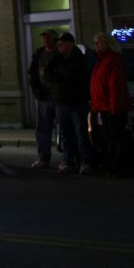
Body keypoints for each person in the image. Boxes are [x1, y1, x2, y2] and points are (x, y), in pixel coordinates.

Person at [44, 32, 93, 175]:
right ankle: (67, 161)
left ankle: (85, 161)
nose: (59, 45)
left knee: (81, 133)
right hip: (61, 101)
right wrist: (59, 75)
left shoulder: (80, 58)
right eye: (58, 43)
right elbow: (47, 74)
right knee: (65, 134)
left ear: (70, 44)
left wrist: (59, 74)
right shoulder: (56, 58)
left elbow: (72, 74)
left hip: (77, 101)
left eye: (62, 42)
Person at [90, 32, 133, 178]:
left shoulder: (112, 61)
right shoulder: (100, 62)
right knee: (108, 138)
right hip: (102, 107)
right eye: (96, 43)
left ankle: (119, 167)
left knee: (116, 138)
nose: (96, 45)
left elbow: (115, 86)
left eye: (99, 42)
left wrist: (115, 107)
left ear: (108, 43)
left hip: (111, 108)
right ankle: (112, 165)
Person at [27, 28, 59, 169]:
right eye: (44, 37)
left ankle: (68, 159)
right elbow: (33, 74)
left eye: (48, 37)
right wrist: (36, 90)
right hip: (43, 97)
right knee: (42, 130)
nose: (46, 39)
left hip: (58, 97)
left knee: (64, 130)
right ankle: (43, 158)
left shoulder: (59, 53)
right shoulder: (39, 54)